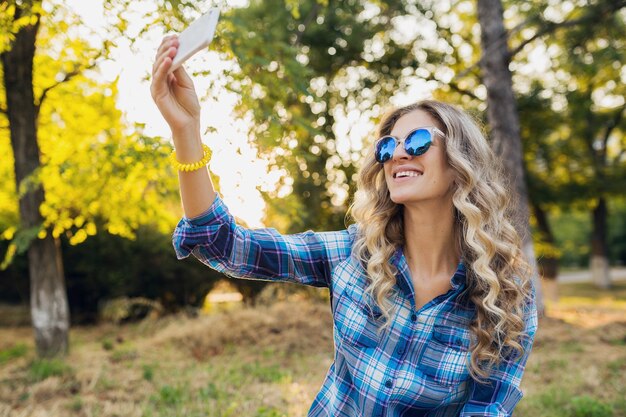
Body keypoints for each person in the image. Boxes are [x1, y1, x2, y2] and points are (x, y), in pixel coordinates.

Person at [151, 34, 538, 417]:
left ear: (460, 162)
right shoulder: (352, 255)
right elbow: (222, 246)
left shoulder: (506, 293)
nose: (397, 153)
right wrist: (186, 130)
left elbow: (486, 409)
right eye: (386, 146)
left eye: (417, 141)